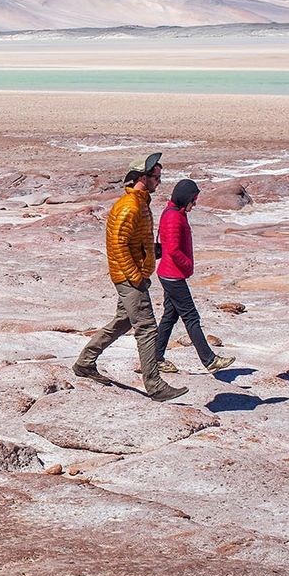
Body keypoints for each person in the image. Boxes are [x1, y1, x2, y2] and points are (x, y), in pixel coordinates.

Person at [72, 152, 189, 402]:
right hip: (128, 277)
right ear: (142, 178)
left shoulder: (140, 203)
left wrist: (151, 254)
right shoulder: (129, 207)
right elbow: (117, 245)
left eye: (160, 176)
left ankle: (84, 363)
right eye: (156, 177)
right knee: (146, 328)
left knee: (122, 321)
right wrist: (135, 276)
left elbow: (134, 242)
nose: (159, 181)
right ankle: (155, 385)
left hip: (133, 274)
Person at [153, 178, 235, 375]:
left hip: (169, 273)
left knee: (169, 317)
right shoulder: (173, 217)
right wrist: (188, 265)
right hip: (172, 275)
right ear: (185, 199)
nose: (195, 204)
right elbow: (172, 249)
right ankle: (209, 360)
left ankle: (155, 358)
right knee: (191, 317)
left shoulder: (176, 213)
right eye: (193, 200)